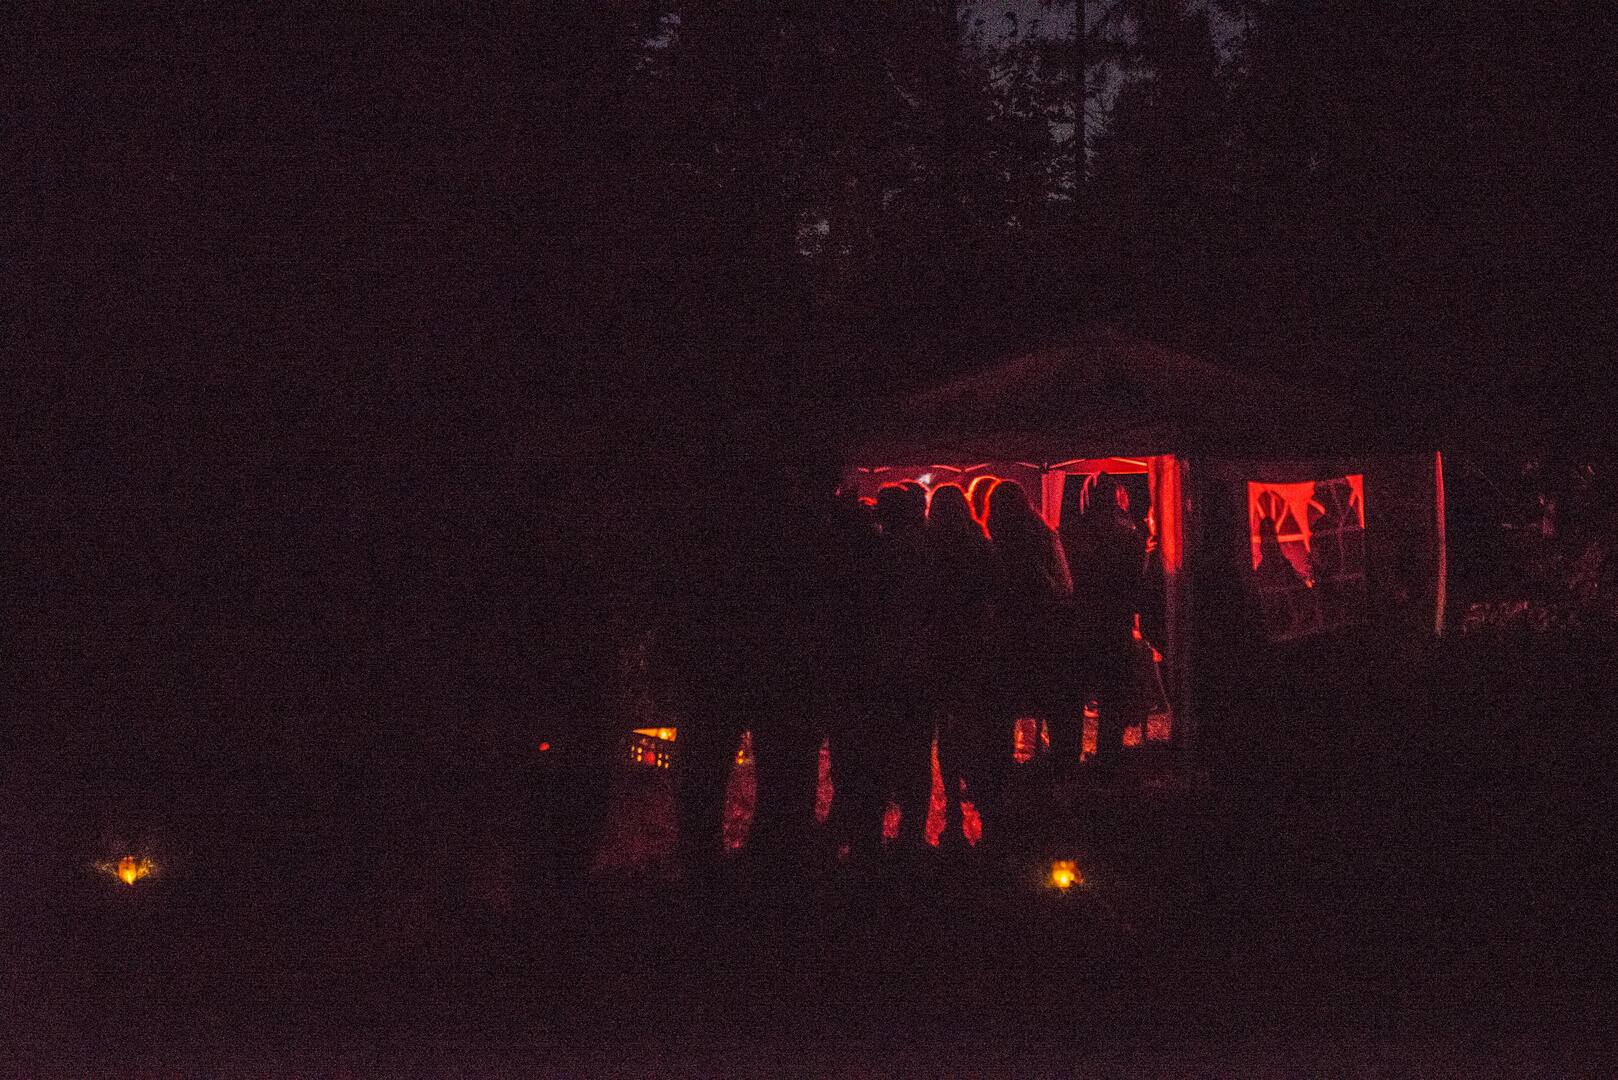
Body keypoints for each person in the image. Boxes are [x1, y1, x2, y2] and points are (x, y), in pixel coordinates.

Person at [981, 480, 1070, 856]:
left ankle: (1005, 793)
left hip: (1009, 640)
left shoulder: (997, 546)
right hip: (1044, 637)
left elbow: (991, 594)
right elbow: (1064, 588)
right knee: (1050, 707)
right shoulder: (1043, 536)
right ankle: (1054, 785)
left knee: (1003, 715)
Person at [925, 484, 1003, 856]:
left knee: (948, 733)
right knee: (976, 732)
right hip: (977, 648)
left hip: (943, 649)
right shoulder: (981, 546)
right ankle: (988, 816)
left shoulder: (932, 551)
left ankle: (954, 816)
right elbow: (998, 595)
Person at [1062, 473, 1146, 781]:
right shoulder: (1129, 535)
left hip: (1080, 624)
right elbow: (1136, 581)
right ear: (1116, 497)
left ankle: (1068, 762)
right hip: (1115, 624)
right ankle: (1107, 762)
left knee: (1072, 697)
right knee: (1113, 698)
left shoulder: (1070, 533)